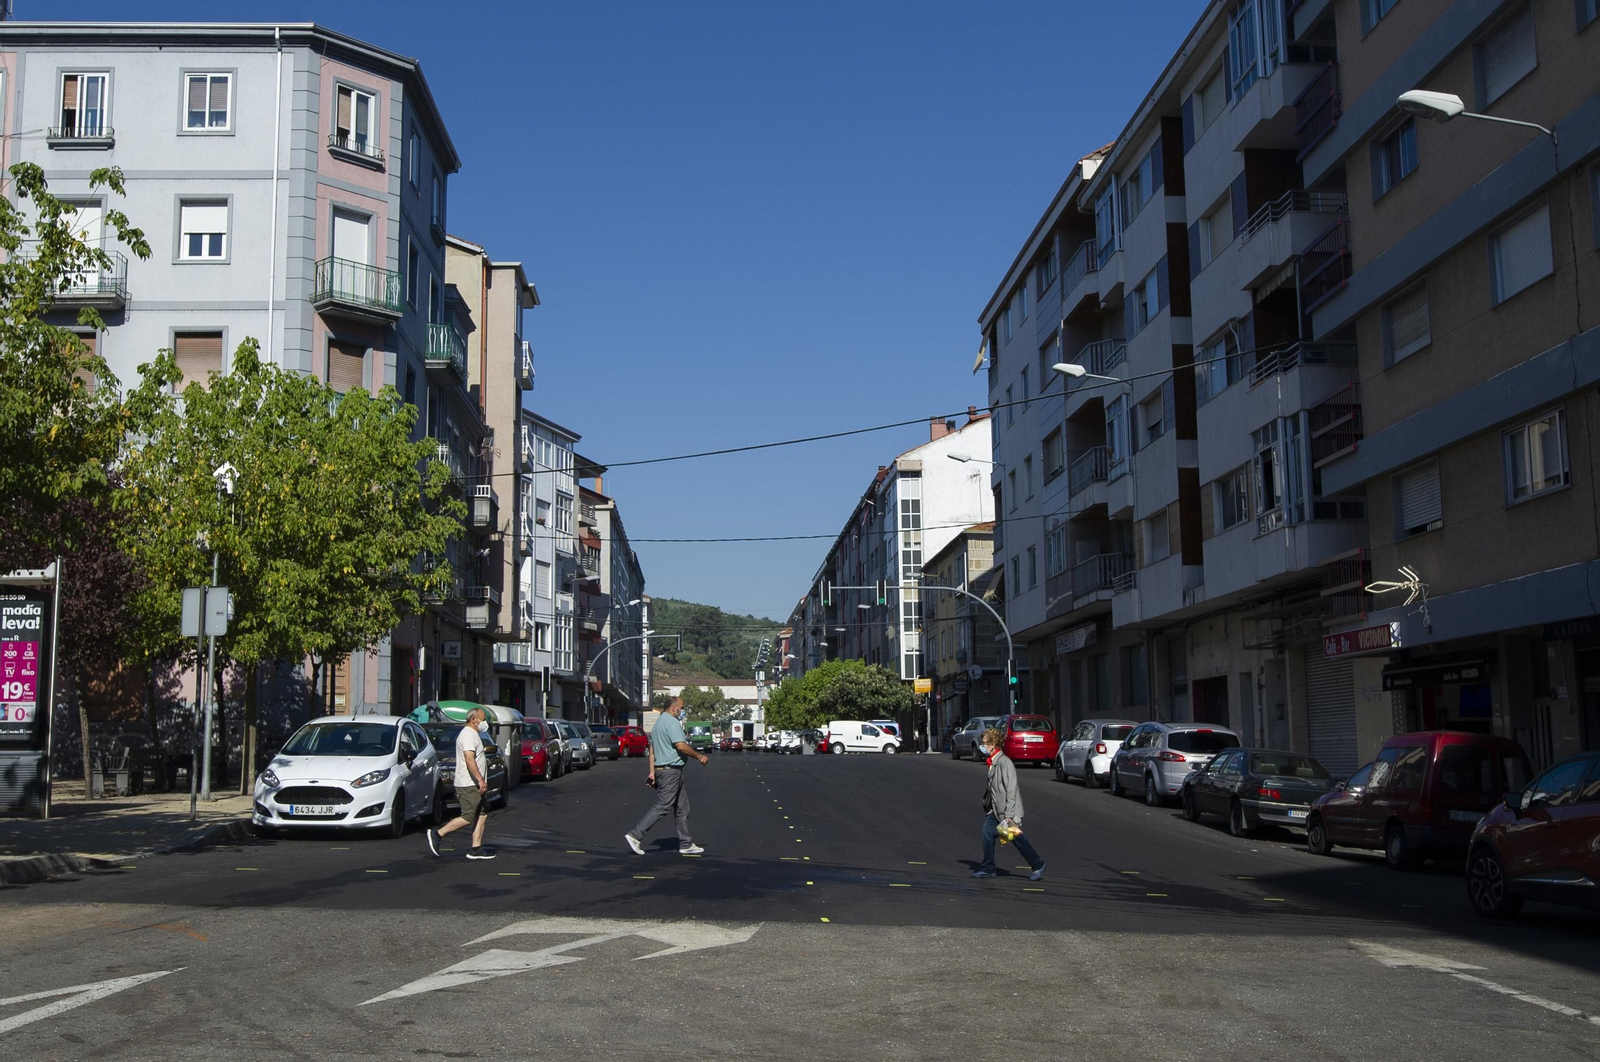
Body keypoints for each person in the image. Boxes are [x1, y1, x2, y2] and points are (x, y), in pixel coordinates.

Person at [625, 697, 708, 856]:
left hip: (665, 770)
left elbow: (652, 751)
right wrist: (699, 757)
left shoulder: (658, 724)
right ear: (674, 708)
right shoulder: (671, 722)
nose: (683, 711)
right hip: (671, 771)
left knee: (683, 807)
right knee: (664, 805)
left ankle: (686, 843)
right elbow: (681, 746)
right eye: (682, 708)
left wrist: (652, 772)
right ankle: (636, 834)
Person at [972, 727, 1046, 881]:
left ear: (993, 744)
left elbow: (1011, 790)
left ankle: (1038, 864)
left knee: (1017, 839)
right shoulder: (993, 762)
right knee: (987, 834)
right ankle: (988, 868)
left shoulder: (1005, 763)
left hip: (1006, 812)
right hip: (995, 811)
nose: (983, 746)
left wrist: (1009, 816)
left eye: (985, 743)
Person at [426, 707, 495, 860]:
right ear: (474, 720)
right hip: (468, 784)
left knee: (482, 814)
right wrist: (480, 779)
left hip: (475, 784)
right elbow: (469, 759)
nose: (485, 723)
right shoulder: (468, 735)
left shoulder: (474, 734)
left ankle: (476, 849)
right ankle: (437, 834)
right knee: (468, 816)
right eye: (483, 719)